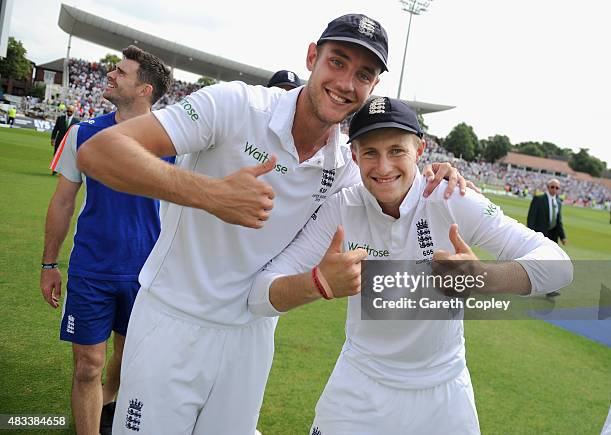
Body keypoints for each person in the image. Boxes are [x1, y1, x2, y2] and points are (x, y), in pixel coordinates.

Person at [77, 14, 470, 435]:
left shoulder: (347, 165)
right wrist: (210, 195)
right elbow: (99, 152)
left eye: (363, 74)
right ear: (311, 57)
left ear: (373, 88)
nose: (345, 82)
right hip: (173, 318)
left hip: (252, 335)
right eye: (337, 62)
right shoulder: (235, 105)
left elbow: (395, 190)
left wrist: (435, 175)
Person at [249, 97, 573, 434]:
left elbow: (560, 267)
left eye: (397, 151)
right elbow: (260, 295)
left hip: (444, 395)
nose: (384, 166)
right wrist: (318, 283)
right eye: (370, 153)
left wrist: (484, 278)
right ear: (355, 156)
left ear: (420, 152)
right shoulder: (341, 208)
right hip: (359, 387)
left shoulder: (453, 199)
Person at [40, 45, 172, 435]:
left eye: (121, 72)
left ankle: (109, 401)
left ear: (145, 89)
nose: (110, 75)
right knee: (86, 367)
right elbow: (63, 201)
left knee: (126, 359)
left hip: (147, 274)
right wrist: (49, 264)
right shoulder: (84, 133)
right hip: (91, 269)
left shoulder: (175, 142)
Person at [527, 178, 567, 296]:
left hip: (552, 237)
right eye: (552, 187)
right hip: (539, 236)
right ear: (548, 187)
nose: (554, 189)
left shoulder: (558, 202)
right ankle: (527, 283)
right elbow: (531, 218)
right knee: (536, 261)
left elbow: (558, 221)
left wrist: (563, 237)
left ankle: (549, 288)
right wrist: (530, 234)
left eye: (557, 188)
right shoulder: (538, 200)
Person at [51, 105, 80, 174]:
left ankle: (63, 171)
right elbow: (55, 129)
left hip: (69, 141)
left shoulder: (76, 121)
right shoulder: (60, 118)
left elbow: (77, 132)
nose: (69, 113)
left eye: (71, 111)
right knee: (56, 154)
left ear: (73, 112)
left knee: (66, 156)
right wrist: (53, 138)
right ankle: (55, 170)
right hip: (59, 140)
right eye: (68, 111)